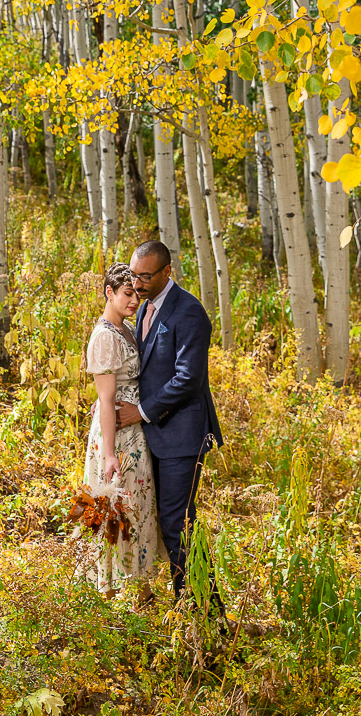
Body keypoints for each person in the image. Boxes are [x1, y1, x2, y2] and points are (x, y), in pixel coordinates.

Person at [117, 239, 223, 600]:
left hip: (182, 434)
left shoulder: (188, 311)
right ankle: (190, 604)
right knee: (169, 522)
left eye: (146, 276)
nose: (138, 283)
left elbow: (188, 378)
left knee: (178, 524)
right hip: (155, 435)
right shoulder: (144, 309)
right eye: (133, 275)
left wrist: (141, 411)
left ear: (167, 272)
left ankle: (202, 608)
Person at [82, 263, 163, 598]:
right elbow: (105, 400)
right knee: (114, 509)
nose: (133, 300)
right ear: (109, 293)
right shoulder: (103, 337)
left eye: (136, 294)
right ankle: (108, 590)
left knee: (137, 508)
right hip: (115, 435)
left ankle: (140, 589)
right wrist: (110, 454)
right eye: (127, 294)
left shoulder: (126, 329)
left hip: (134, 431)